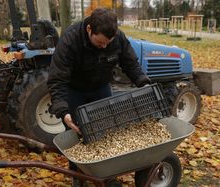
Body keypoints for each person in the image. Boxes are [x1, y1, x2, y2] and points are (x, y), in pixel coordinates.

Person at [47, 7, 150, 186]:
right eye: (100, 42)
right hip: (75, 90)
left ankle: (105, 174)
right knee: (75, 134)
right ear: (89, 30)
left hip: (100, 87)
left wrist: (143, 82)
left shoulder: (117, 38)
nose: (104, 47)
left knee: (104, 129)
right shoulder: (70, 40)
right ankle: (78, 176)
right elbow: (57, 79)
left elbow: (130, 63)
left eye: (107, 44)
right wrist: (64, 112)